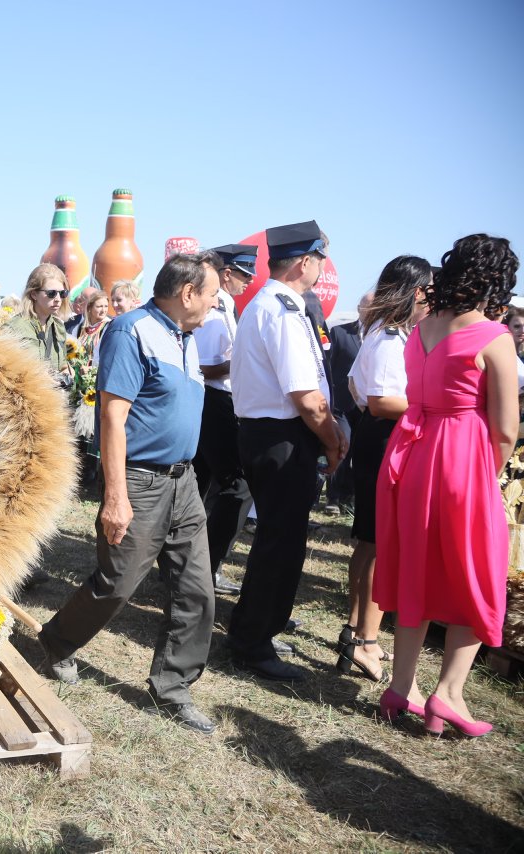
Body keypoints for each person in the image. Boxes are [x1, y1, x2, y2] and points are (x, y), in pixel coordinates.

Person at [37, 253, 221, 734]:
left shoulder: (187, 338)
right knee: (117, 583)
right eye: (211, 294)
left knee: (197, 589)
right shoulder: (131, 331)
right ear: (186, 294)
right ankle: (55, 643)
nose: (215, 303)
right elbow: (112, 418)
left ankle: (173, 687)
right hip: (139, 481)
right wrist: (115, 497)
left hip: (184, 484)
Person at [375, 234, 518, 736]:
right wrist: (487, 477)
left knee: (416, 569)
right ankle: (449, 695)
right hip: (463, 459)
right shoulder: (493, 336)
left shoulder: (421, 330)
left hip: (413, 455)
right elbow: (504, 429)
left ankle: (400, 687)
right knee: (477, 575)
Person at [227, 220, 347, 681]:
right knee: (280, 544)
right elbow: (307, 397)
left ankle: (261, 630)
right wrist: (333, 441)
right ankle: (253, 642)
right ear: (305, 261)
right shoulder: (280, 309)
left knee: (281, 541)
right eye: (319, 259)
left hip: (276, 435)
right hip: (280, 437)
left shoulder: (278, 306)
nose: (321, 268)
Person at [338, 257, 430, 682]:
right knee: (380, 543)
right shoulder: (392, 338)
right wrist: (432, 409)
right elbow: (381, 401)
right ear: (415, 292)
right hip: (382, 437)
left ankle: (356, 630)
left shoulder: (379, 331)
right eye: (429, 291)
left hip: (373, 437)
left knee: (369, 542)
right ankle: (367, 641)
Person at [191, 244, 257, 596]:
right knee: (236, 486)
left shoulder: (227, 306)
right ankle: (207, 566)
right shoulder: (216, 308)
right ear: (227, 273)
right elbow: (203, 365)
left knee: (202, 484)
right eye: (244, 274)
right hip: (214, 399)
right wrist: (242, 361)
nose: (248, 282)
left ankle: (192, 565)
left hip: (221, 399)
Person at [324, 292, 374, 515]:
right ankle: (332, 498)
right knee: (341, 448)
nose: (369, 311)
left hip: (366, 406)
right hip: (342, 403)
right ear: (359, 308)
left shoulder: (381, 336)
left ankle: (348, 496)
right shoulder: (340, 333)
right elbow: (328, 367)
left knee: (360, 452)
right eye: (366, 306)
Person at [6, 263, 71, 384]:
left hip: (52, 399)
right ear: (33, 294)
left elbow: (62, 365)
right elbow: (3, 370)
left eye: (62, 293)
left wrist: (66, 375)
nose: (58, 299)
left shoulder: (58, 327)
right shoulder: (13, 328)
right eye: (51, 293)